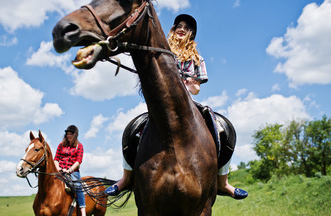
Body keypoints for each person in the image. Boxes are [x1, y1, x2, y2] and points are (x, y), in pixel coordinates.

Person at [105, 14, 248, 200]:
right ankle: (126, 179)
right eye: (178, 25)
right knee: (132, 129)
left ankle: (223, 182)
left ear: (191, 34)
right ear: (173, 29)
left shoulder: (197, 58)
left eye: (186, 27)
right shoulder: (161, 51)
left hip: (187, 103)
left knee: (223, 128)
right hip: (161, 106)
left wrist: (188, 84)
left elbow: (196, 88)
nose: (182, 28)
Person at [54, 125, 86, 216]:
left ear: (75, 135)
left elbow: (78, 161)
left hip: (73, 171)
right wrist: (58, 168)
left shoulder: (79, 146)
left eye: (71, 134)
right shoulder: (61, 145)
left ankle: (83, 211)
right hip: (60, 170)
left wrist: (69, 170)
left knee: (78, 186)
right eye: (67, 134)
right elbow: (56, 159)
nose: (68, 136)